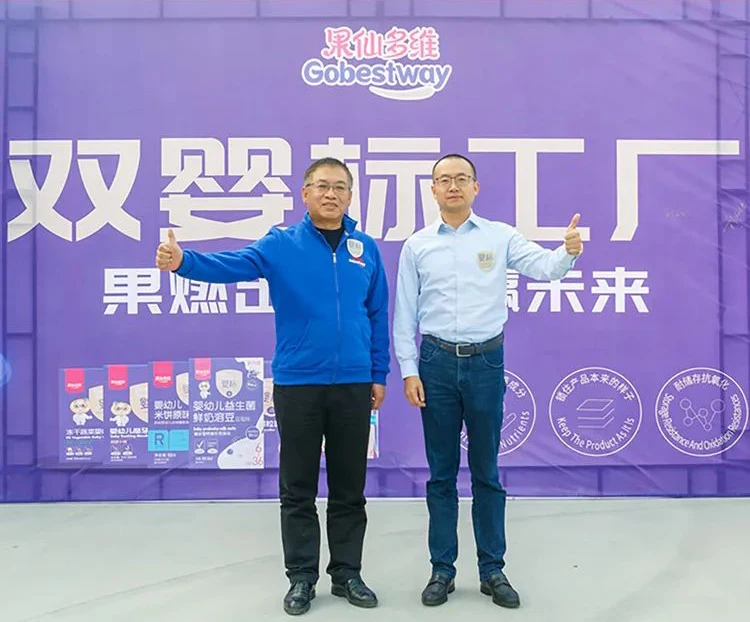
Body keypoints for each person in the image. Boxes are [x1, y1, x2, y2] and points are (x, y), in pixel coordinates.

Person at [155, 157, 390, 616]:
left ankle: (347, 574)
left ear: (350, 195)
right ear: (305, 194)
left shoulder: (365, 248)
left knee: (349, 487)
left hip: (353, 384)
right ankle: (301, 577)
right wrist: (183, 262)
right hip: (298, 384)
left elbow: (377, 313)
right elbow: (232, 265)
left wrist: (377, 373)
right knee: (297, 487)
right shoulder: (282, 244)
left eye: (340, 187)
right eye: (321, 186)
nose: (331, 194)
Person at [392, 153, 582, 608]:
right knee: (441, 474)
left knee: (487, 473)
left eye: (462, 179)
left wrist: (568, 252)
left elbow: (545, 268)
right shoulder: (417, 245)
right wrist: (409, 370)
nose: (453, 186)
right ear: (433, 190)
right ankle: (442, 570)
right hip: (435, 363)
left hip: (485, 363)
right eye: (444, 180)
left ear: (475, 187)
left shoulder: (500, 236)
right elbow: (405, 314)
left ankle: (492, 569)